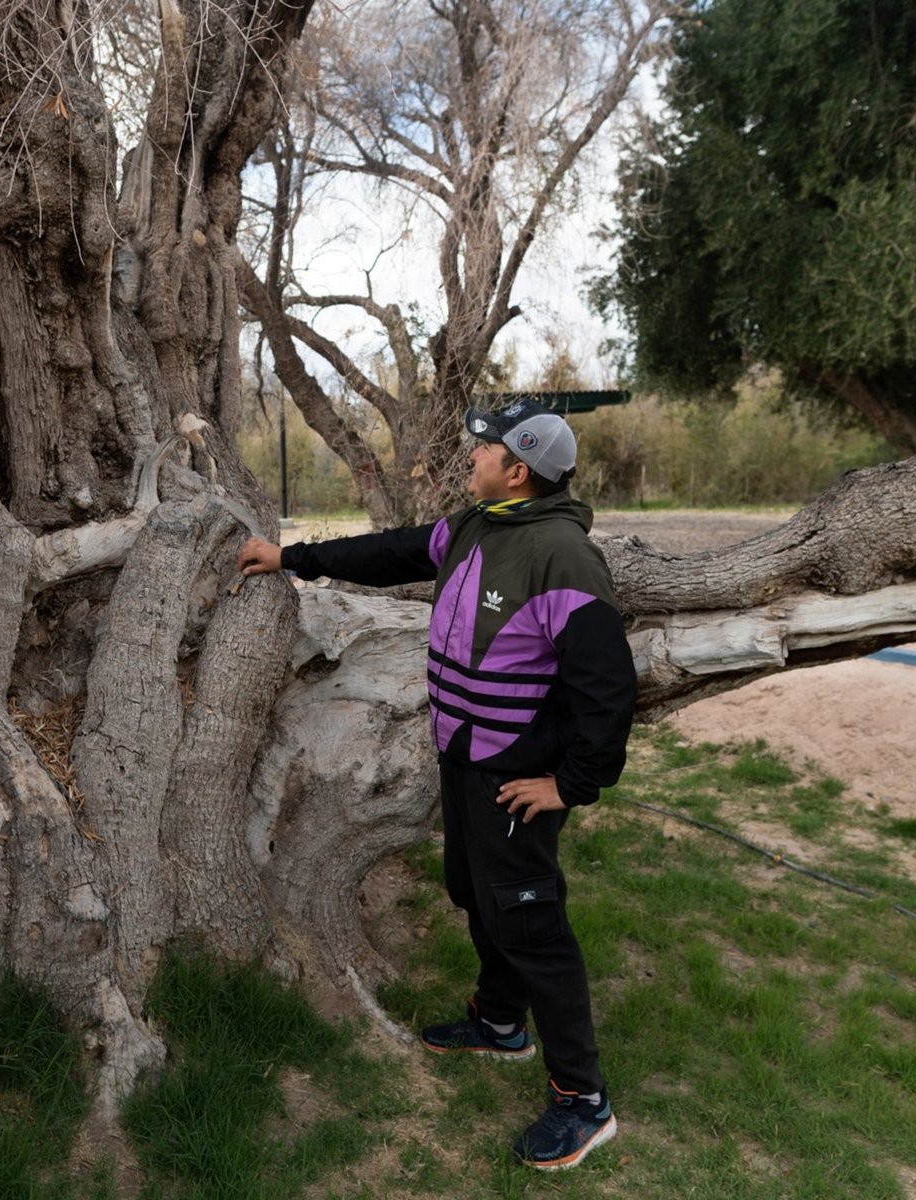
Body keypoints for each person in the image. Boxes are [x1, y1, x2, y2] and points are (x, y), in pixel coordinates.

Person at [238, 401, 636, 1172]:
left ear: (518, 471)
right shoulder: (476, 525)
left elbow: (607, 688)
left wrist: (569, 785)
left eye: (483, 449)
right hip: (464, 757)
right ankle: (499, 1022)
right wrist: (292, 558)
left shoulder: (563, 556)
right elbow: (392, 552)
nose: (471, 457)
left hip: (516, 774)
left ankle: (585, 1102)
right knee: (470, 887)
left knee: (530, 922)